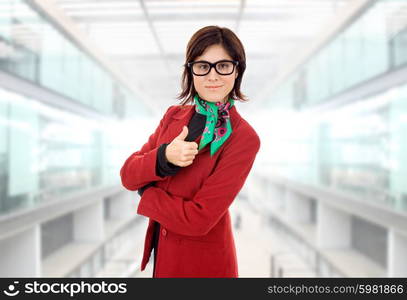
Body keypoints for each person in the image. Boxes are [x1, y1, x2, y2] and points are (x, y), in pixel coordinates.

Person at [120, 25, 260, 278]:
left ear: (237, 70)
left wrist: (147, 192)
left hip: (203, 267)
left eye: (224, 65)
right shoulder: (173, 116)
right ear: (191, 71)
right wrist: (163, 158)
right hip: (163, 258)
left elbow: (199, 220)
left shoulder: (243, 138)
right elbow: (128, 174)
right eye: (203, 66)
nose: (213, 76)